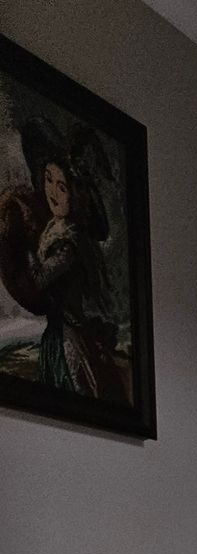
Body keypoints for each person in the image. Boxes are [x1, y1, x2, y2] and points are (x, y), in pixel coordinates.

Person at [0, 117, 128, 405]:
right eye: (48, 180)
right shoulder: (55, 229)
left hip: (71, 340)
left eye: (62, 186)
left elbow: (38, 282)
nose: (52, 193)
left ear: (76, 193)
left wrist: (19, 245)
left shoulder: (67, 243)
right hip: (61, 334)